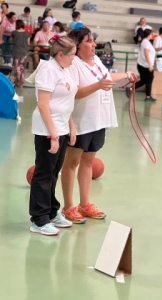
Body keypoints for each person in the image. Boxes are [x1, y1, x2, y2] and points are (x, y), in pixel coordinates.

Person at [61, 27, 137, 224]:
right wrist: (98, 86)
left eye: (93, 41)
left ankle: (85, 204)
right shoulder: (73, 64)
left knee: (88, 162)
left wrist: (127, 75)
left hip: (99, 120)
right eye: (88, 41)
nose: (94, 44)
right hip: (81, 120)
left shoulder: (96, 61)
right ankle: (68, 206)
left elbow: (106, 78)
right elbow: (74, 93)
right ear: (77, 46)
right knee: (72, 163)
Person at [29, 35, 77, 236]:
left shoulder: (64, 70)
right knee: (44, 173)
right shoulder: (48, 70)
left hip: (62, 128)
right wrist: (54, 134)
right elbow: (43, 104)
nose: (74, 59)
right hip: (48, 130)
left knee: (53, 173)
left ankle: (51, 211)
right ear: (59, 54)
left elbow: (66, 102)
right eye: (71, 55)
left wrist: (71, 127)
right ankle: (39, 219)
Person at [135, 28, 156, 101]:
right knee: (149, 80)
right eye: (151, 34)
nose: (152, 35)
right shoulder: (146, 43)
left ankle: (132, 88)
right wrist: (150, 64)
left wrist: (153, 59)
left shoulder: (144, 42)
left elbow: (148, 54)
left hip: (142, 64)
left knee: (144, 80)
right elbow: (146, 54)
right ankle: (148, 96)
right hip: (145, 65)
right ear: (149, 35)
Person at [11, 19, 30, 87]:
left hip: (16, 52)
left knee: (16, 66)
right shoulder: (27, 33)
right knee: (21, 67)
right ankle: (21, 81)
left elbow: (12, 41)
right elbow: (28, 43)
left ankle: (17, 80)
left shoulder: (14, 32)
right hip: (24, 52)